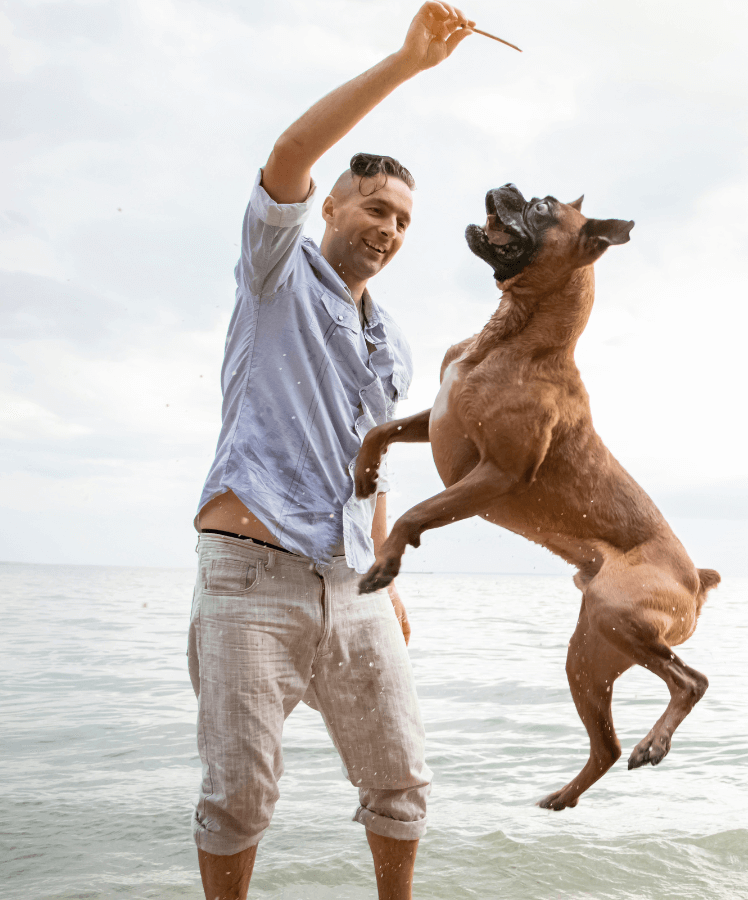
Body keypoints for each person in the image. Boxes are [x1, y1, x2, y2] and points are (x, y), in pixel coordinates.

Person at [186, 5, 474, 898]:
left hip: (354, 588)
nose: (388, 229)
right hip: (249, 578)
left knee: (402, 787)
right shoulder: (274, 273)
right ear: (331, 207)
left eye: (403, 222)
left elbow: (370, 461)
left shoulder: (392, 343)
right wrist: (406, 63)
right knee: (240, 798)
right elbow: (287, 156)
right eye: (375, 208)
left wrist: (389, 572)